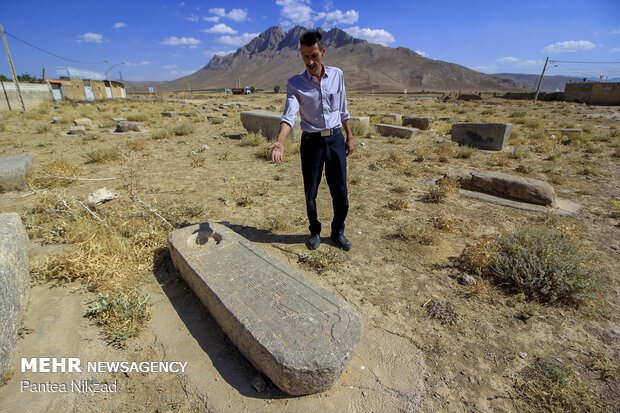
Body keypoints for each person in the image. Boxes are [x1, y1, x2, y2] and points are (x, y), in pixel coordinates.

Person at [268, 30, 354, 251]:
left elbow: (343, 109)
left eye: (314, 55)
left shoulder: (337, 75)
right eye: (305, 56)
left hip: (335, 139)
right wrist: (281, 141)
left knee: (341, 192)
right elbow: (289, 115)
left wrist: (349, 136)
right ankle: (315, 230)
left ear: (323, 51)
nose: (310, 61)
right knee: (311, 192)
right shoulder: (295, 83)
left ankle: (337, 231)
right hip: (312, 143)